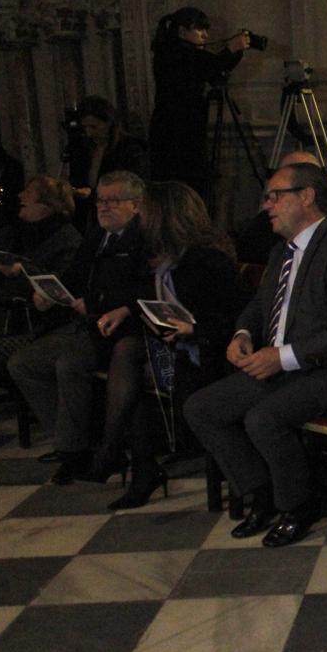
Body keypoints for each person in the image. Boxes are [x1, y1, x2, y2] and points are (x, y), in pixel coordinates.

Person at [184, 163, 327, 546]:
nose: (267, 205)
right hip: (281, 367)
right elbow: (259, 303)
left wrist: (283, 356)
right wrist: (242, 333)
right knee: (201, 408)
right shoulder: (281, 251)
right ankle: (262, 491)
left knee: (263, 418)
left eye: (276, 196)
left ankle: (298, 505)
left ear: (306, 197)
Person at [89, 181, 249, 508]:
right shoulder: (169, 258)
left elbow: (238, 317)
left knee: (130, 371)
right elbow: (153, 294)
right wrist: (127, 308)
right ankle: (126, 457)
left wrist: (193, 329)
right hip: (179, 355)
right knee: (129, 354)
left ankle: (117, 453)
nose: (142, 220)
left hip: (209, 360)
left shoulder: (207, 260)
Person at [7, 171, 150, 484]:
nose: (103, 207)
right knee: (23, 363)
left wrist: (96, 302)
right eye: (101, 200)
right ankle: (70, 440)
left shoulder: (144, 239)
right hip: (83, 324)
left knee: (70, 363)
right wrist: (49, 295)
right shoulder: (96, 236)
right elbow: (73, 278)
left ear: (136, 205)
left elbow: (146, 289)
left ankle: (76, 453)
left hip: (119, 330)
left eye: (113, 201)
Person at [0, 177, 82, 438]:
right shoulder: (13, 231)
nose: (20, 196)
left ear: (47, 206)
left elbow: (60, 287)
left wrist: (20, 275)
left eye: (29, 194)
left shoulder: (67, 239)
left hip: (34, 319)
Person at [147, 7, 250, 195]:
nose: (205, 35)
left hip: (182, 126)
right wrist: (232, 49)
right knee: (183, 182)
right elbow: (211, 65)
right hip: (176, 129)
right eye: (199, 29)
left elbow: (215, 72)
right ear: (182, 31)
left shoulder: (177, 52)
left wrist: (235, 52)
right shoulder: (176, 53)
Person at [65, 96, 149, 226]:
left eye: (94, 127)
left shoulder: (130, 149)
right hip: (89, 213)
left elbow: (135, 184)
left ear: (109, 123)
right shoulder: (83, 149)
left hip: (118, 211)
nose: (89, 133)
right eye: (85, 127)